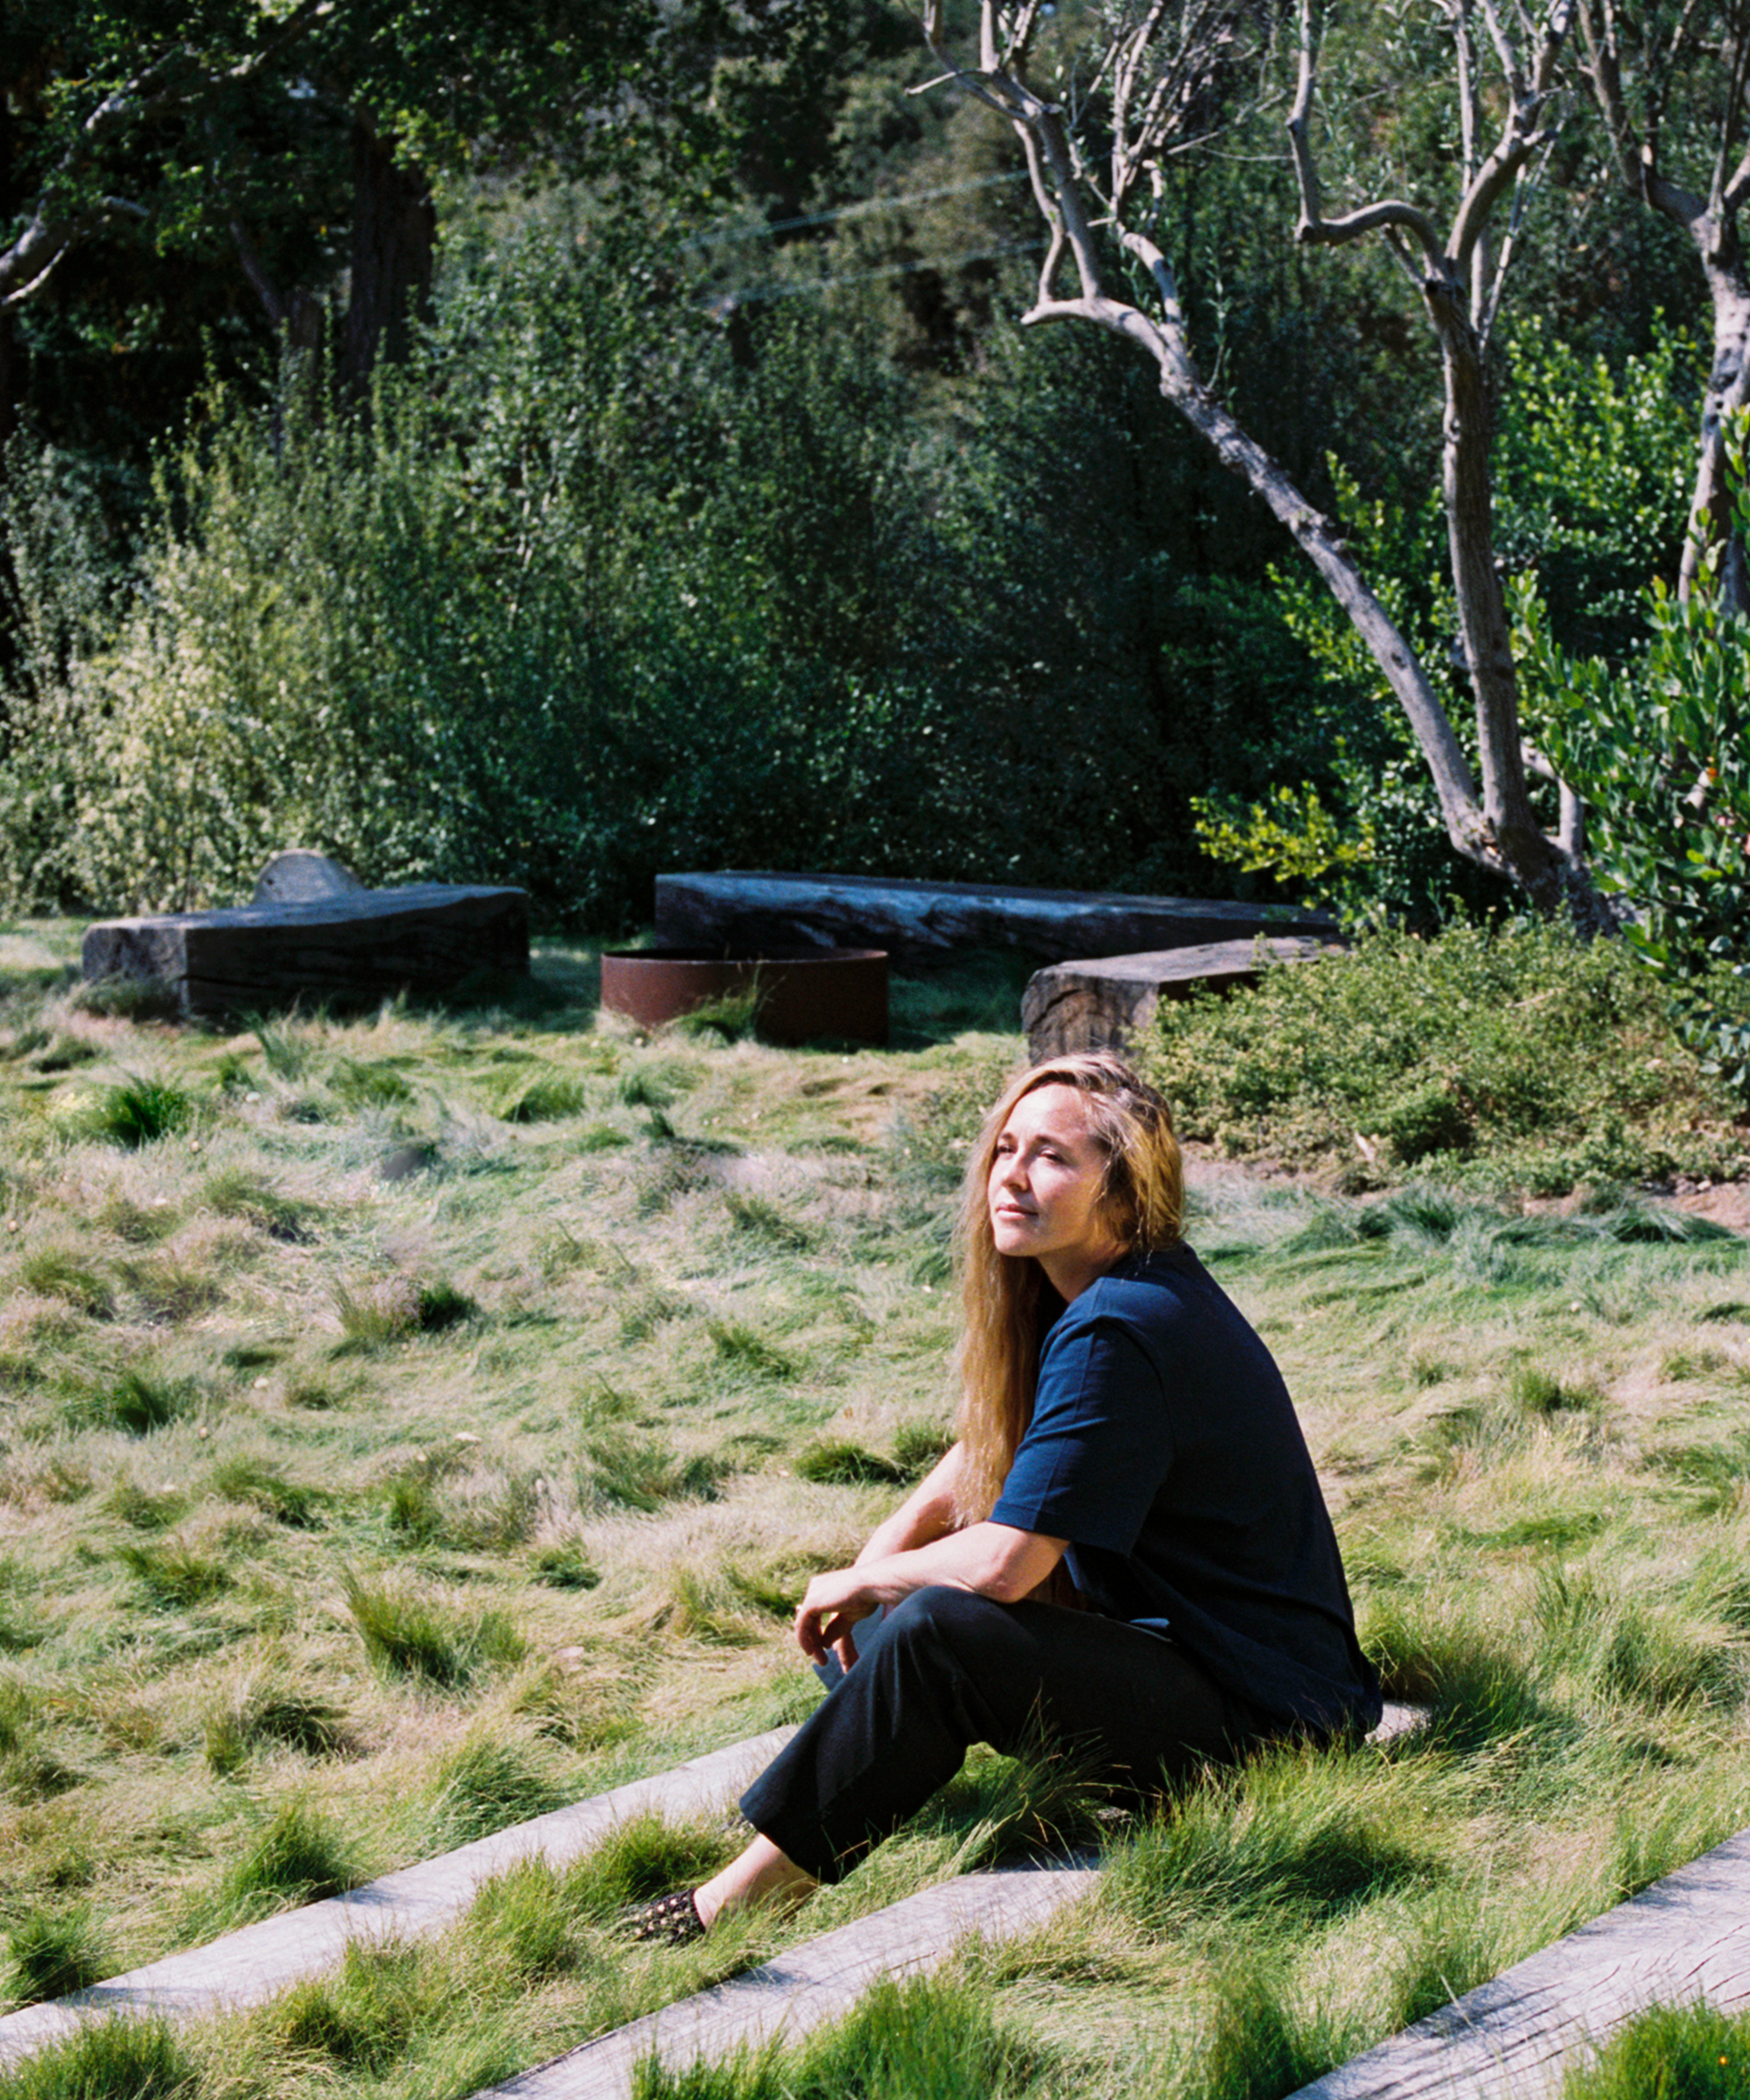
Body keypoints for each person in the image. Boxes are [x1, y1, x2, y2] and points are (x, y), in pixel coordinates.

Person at [622, 1053, 1381, 1944]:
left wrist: (860, 1580)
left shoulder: (1114, 1331)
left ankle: (741, 1897)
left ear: (1123, 1191)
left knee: (938, 1631)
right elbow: (1009, 1443)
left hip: (1269, 1732)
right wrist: (889, 1542)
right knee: (895, 1614)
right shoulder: (1134, 1289)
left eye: (1052, 1158)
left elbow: (1007, 1565)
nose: (1011, 1177)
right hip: (1256, 1682)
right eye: (1003, 1149)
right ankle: (835, 1789)